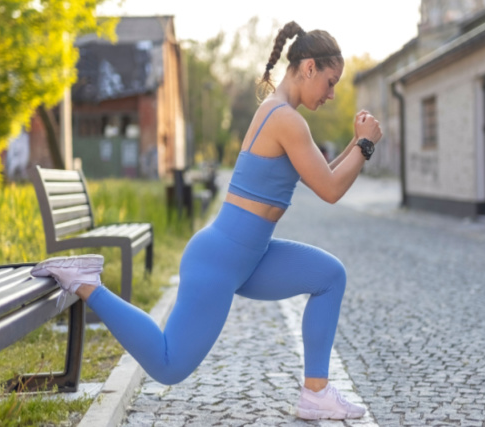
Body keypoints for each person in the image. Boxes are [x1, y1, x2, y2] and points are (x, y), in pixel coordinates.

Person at [31, 20, 382, 421]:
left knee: (329, 276)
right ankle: (88, 284)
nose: (333, 94)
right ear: (308, 69)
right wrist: (367, 145)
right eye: (331, 81)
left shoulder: (283, 116)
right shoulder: (285, 118)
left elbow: (325, 175)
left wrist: (357, 144)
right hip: (219, 261)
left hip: (249, 258)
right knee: (168, 365)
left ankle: (316, 394)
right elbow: (332, 190)